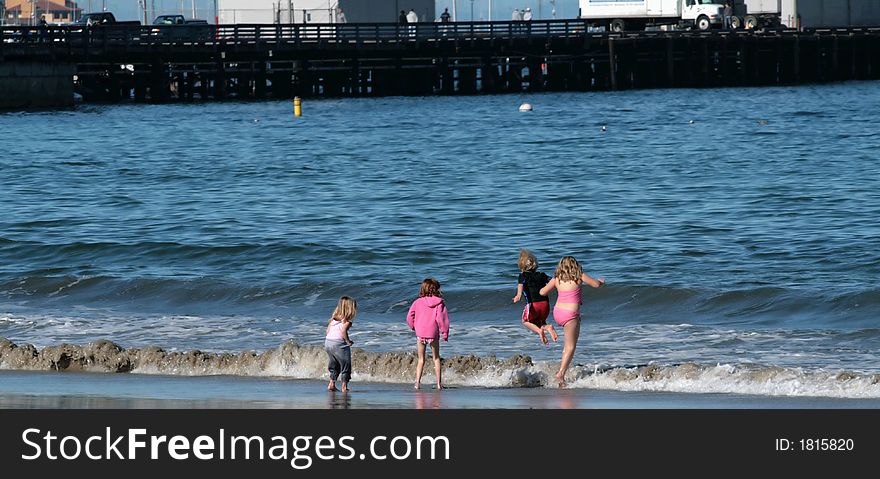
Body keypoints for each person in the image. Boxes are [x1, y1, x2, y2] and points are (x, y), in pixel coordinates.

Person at [539, 256, 605, 388]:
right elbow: (596, 285)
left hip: (558, 313)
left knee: (567, 346)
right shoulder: (579, 275)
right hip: (571, 315)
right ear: (575, 265)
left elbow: (542, 292)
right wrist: (601, 281)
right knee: (570, 346)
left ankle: (563, 370)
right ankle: (561, 373)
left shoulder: (557, 278)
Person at [406, 278, 450, 390]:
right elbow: (441, 319)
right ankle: (439, 384)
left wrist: (414, 327)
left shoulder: (417, 302)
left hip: (420, 333)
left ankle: (417, 383)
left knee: (421, 359)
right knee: (436, 358)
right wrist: (445, 333)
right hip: (433, 334)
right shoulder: (440, 303)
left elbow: (409, 317)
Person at [512, 249, 558, 346]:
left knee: (525, 321)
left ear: (521, 265)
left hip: (533, 305)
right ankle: (547, 327)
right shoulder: (542, 275)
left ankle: (539, 331)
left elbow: (520, 287)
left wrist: (518, 296)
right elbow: (553, 282)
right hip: (545, 305)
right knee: (540, 322)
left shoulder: (522, 276)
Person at [324, 296, 357, 392]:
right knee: (345, 364)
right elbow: (343, 332)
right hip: (339, 344)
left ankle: (331, 383)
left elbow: (327, 331)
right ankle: (344, 387)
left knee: (334, 364)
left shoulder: (333, 320)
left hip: (328, 342)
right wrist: (348, 341)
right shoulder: (347, 323)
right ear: (350, 310)